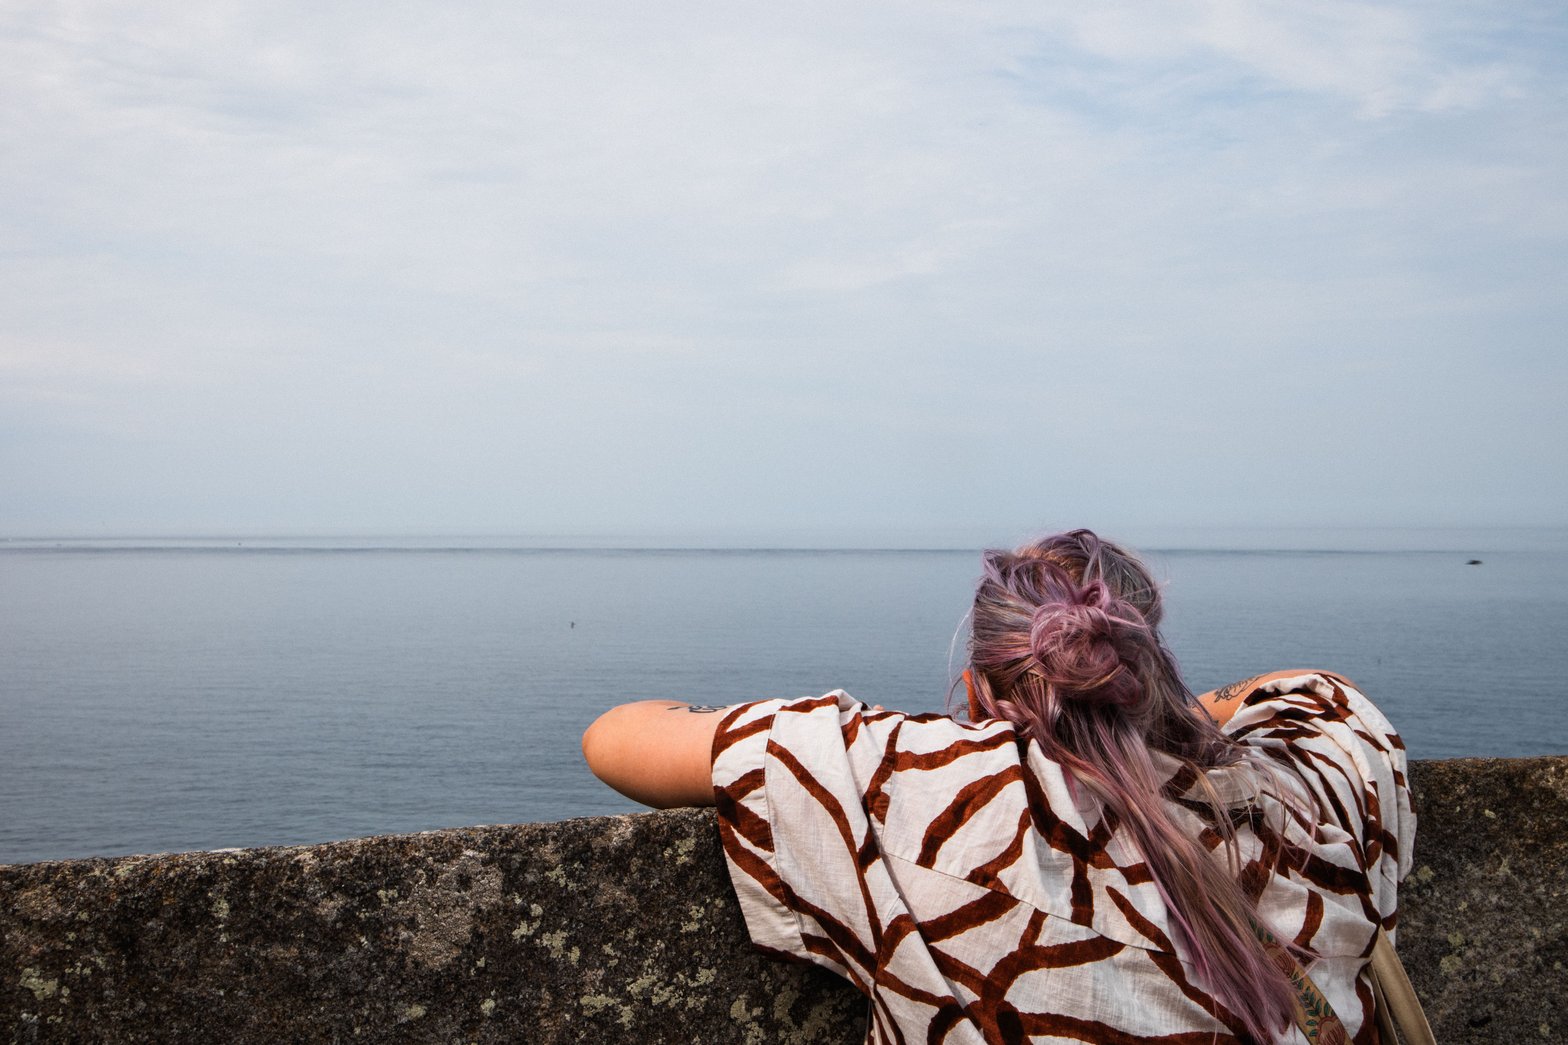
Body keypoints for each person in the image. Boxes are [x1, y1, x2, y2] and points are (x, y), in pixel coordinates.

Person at [582, 529, 1413, 1044]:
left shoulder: (919, 794)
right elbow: (1319, 688)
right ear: (1147, 661)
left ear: (979, 688)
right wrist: (1149, 710)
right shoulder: (1310, 792)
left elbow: (616, 737)